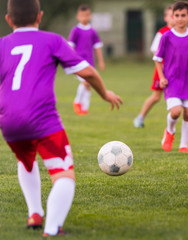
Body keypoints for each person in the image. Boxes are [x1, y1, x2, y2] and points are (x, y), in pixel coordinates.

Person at [0, 0, 122, 236]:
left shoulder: (2, 45)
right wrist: (105, 94)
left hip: (9, 121)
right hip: (42, 118)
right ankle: (52, 228)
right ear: (40, 16)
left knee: (26, 161)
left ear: (8, 20)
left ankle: (35, 212)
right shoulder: (51, 40)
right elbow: (87, 71)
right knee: (63, 174)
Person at [153, 1, 188, 153]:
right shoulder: (166, 36)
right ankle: (169, 131)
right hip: (171, 80)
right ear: (172, 16)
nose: (179, 18)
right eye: (176, 15)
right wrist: (161, 77)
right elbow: (157, 59)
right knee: (176, 111)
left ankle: (184, 145)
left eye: (183, 15)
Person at [133, 5, 174, 128]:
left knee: (180, 97)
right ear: (166, 18)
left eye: (176, 15)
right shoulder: (162, 32)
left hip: (176, 70)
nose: (174, 18)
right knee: (156, 97)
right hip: (162, 70)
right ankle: (140, 118)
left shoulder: (182, 33)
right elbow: (154, 51)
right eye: (171, 15)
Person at [68, 4, 105, 115]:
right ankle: (77, 102)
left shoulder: (92, 31)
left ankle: (84, 107)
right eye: (82, 15)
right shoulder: (75, 30)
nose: (85, 17)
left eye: (87, 15)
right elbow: (70, 47)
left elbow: (97, 48)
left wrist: (101, 61)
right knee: (85, 82)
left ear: (90, 16)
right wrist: (70, 60)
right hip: (78, 62)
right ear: (78, 16)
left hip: (90, 63)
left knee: (89, 84)